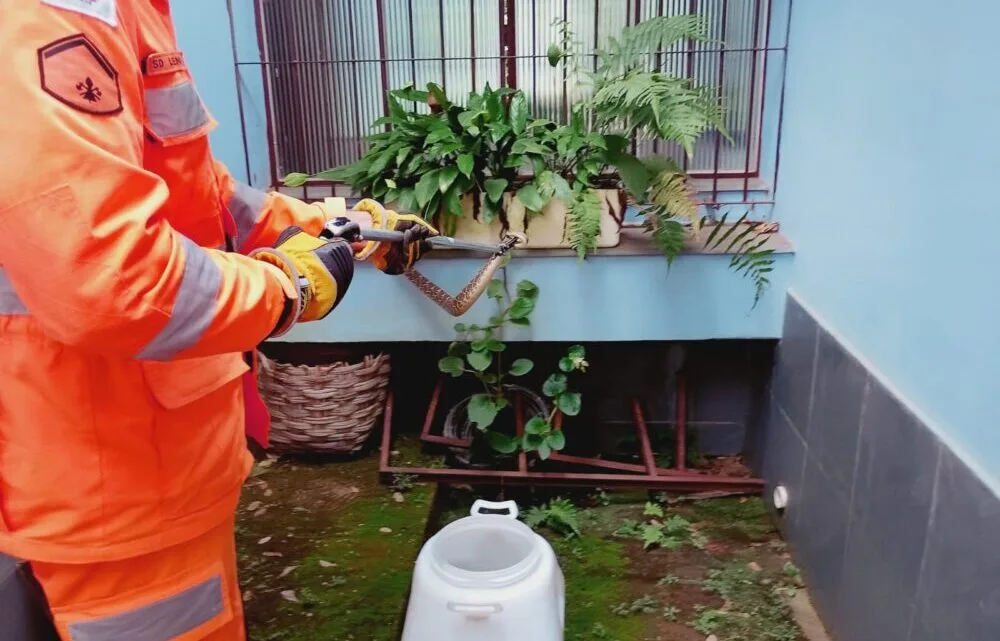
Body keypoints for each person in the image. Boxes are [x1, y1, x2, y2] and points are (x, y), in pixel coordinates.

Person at [0, 2, 437, 640]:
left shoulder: (129, 13)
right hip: (104, 490)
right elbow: (119, 281)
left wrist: (351, 227)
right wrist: (287, 287)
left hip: (167, 463)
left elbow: (206, 198)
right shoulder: (43, 19)